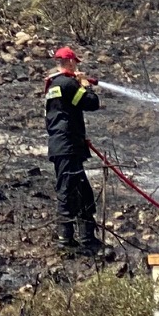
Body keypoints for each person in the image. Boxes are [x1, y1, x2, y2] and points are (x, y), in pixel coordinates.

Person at [44, 45, 102, 254]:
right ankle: (66, 240)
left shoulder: (53, 85)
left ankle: (86, 238)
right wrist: (85, 85)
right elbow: (91, 103)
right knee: (69, 191)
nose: (77, 65)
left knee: (81, 192)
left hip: (62, 145)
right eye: (75, 62)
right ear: (69, 62)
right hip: (67, 146)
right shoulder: (68, 84)